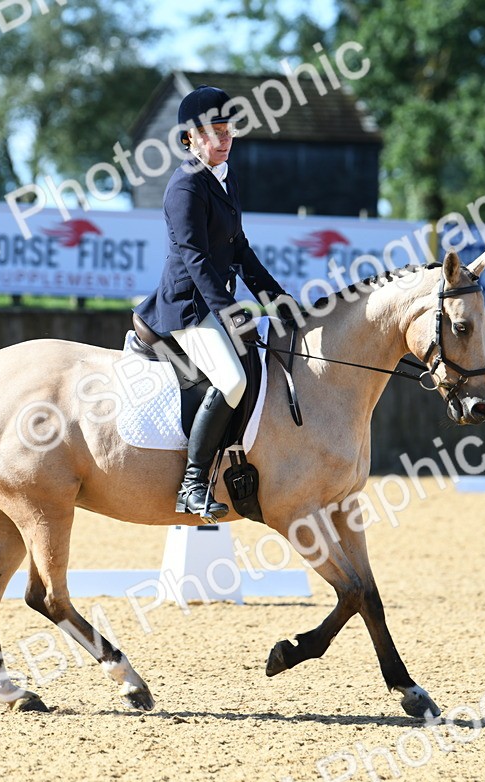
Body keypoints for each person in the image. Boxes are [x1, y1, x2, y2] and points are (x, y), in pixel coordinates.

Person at [133, 85, 293, 520]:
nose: (224, 139)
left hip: (210, 301)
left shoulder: (225, 177)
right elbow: (195, 257)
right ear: (190, 138)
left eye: (228, 130)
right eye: (213, 132)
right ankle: (193, 484)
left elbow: (238, 247)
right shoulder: (186, 186)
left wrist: (275, 297)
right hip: (186, 307)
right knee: (232, 380)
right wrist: (227, 309)